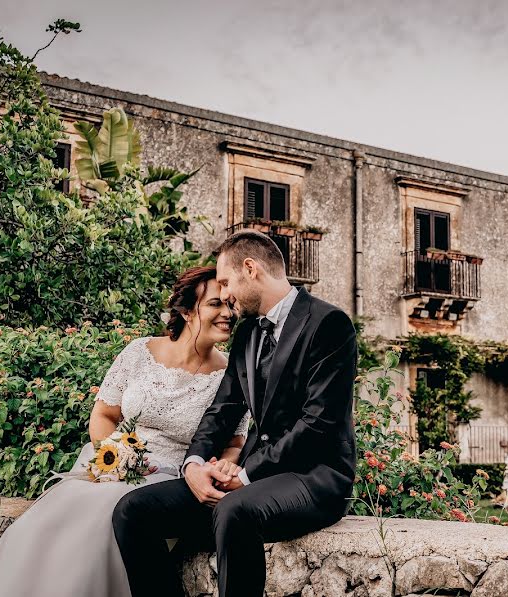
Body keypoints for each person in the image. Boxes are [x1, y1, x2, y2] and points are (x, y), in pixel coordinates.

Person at [0, 266, 247, 597]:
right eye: (216, 304)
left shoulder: (228, 376)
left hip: (169, 476)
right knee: (56, 512)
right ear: (186, 310)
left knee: (102, 516)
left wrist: (219, 467)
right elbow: (104, 414)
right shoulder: (140, 352)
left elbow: (234, 442)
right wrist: (116, 452)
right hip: (115, 462)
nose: (227, 313)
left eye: (230, 305)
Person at [113, 230, 358, 597]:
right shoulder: (248, 334)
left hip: (317, 475)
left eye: (226, 282)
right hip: (257, 475)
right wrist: (194, 464)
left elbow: (318, 423)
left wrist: (245, 474)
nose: (225, 295)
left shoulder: (329, 324)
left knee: (234, 510)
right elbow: (223, 410)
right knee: (133, 511)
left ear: (251, 268)